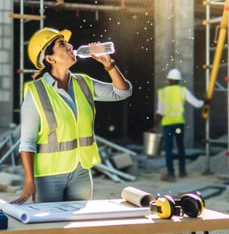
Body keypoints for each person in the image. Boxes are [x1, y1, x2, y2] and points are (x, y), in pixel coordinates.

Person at [12, 27, 132, 204]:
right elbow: (27, 142)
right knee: (52, 230)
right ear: (50, 58)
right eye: (62, 44)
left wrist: (109, 64)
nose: (70, 46)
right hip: (48, 176)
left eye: (68, 43)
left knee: (79, 228)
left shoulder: (84, 83)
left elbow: (122, 92)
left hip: (81, 172)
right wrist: (30, 181)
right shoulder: (35, 92)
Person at [151, 68, 203, 182]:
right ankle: (182, 171)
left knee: (168, 149)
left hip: (167, 124)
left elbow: (160, 111)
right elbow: (197, 104)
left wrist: (155, 126)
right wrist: (205, 101)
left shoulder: (163, 92)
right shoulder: (183, 91)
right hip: (179, 123)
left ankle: (171, 173)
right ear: (178, 80)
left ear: (169, 79)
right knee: (180, 147)